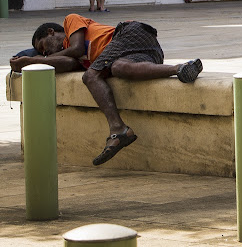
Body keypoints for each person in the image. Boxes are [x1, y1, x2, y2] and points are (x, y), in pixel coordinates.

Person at [10, 14, 203, 166]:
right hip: (144, 51)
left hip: (129, 32)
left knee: (90, 76)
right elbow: (68, 62)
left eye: (43, 47)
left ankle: (118, 129)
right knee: (119, 68)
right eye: (43, 53)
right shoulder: (72, 59)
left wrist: (33, 59)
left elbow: (76, 49)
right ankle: (180, 69)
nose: (46, 53)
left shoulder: (71, 22)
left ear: (51, 32)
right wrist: (31, 62)